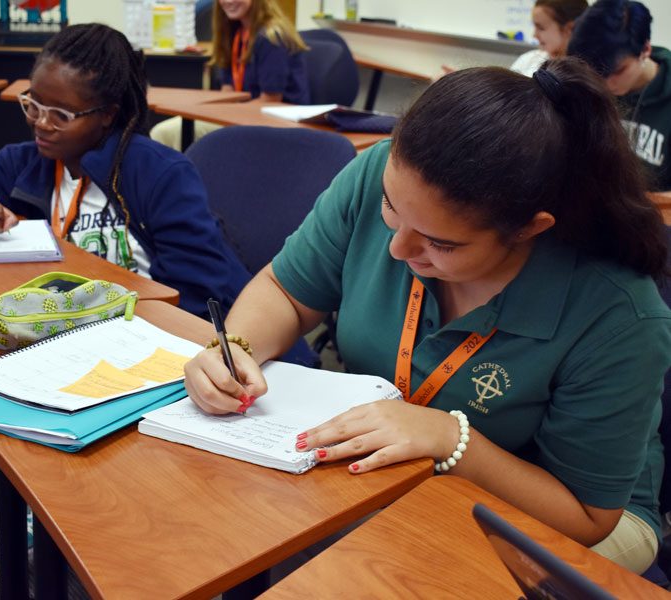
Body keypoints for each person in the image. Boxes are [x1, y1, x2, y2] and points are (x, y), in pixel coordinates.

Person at [184, 57, 671, 574]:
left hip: (571, 508)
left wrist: (448, 439)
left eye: (440, 243)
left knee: (411, 573)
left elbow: (587, 515)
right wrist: (232, 350)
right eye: (390, 210)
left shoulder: (617, 314)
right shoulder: (386, 173)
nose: (397, 249)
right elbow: (287, 289)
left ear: (529, 228)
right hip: (402, 467)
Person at [0, 23, 250, 320]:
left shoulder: (160, 174)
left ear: (108, 114)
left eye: (61, 115)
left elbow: (195, 295)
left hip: (161, 335)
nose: (41, 123)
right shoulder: (27, 162)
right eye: (34, 105)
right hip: (70, 327)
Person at [150, 0, 310, 151]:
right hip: (242, 116)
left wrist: (222, 111)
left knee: (165, 133)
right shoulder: (235, 32)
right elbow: (228, 91)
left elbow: (270, 100)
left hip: (275, 122)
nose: (228, 1)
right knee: (169, 129)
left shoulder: (272, 37)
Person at [568, 0, 671, 191]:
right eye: (598, 73)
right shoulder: (589, 84)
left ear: (645, 50)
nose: (606, 84)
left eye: (619, 71)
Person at [510, 0, 589, 76]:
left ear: (569, 29)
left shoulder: (587, 73)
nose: (534, 35)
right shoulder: (527, 60)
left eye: (541, 28)